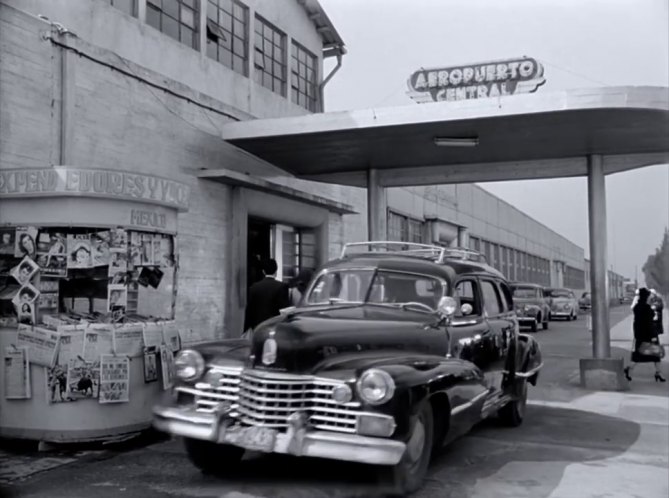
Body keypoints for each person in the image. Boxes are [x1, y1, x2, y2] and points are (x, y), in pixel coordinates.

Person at [624, 287, 665, 382]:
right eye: (649, 295)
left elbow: (637, 323)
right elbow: (649, 324)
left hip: (640, 335)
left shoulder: (637, 307)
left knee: (638, 355)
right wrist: (654, 336)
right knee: (655, 355)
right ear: (646, 296)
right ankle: (658, 373)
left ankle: (629, 369)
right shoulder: (646, 309)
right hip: (649, 335)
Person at [244, 258, 290, 332]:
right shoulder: (282, 286)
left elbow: (249, 310)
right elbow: (285, 310)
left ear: (263, 271)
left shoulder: (254, 287)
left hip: (258, 327)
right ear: (276, 270)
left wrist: (245, 329)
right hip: (274, 327)